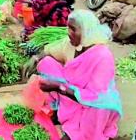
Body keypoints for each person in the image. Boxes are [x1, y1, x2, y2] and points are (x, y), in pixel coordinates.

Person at [23, 10, 122, 140]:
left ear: (87, 31)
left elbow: (96, 96)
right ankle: (61, 111)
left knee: (99, 107)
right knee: (46, 63)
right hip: (72, 92)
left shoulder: (102, 56)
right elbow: (49, 50)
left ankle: (80, 132)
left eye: (73, 29)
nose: (69, 33)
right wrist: (35, 59)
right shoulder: (70, 44)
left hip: (94, 102)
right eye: (68, 28)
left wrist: (58, 87)